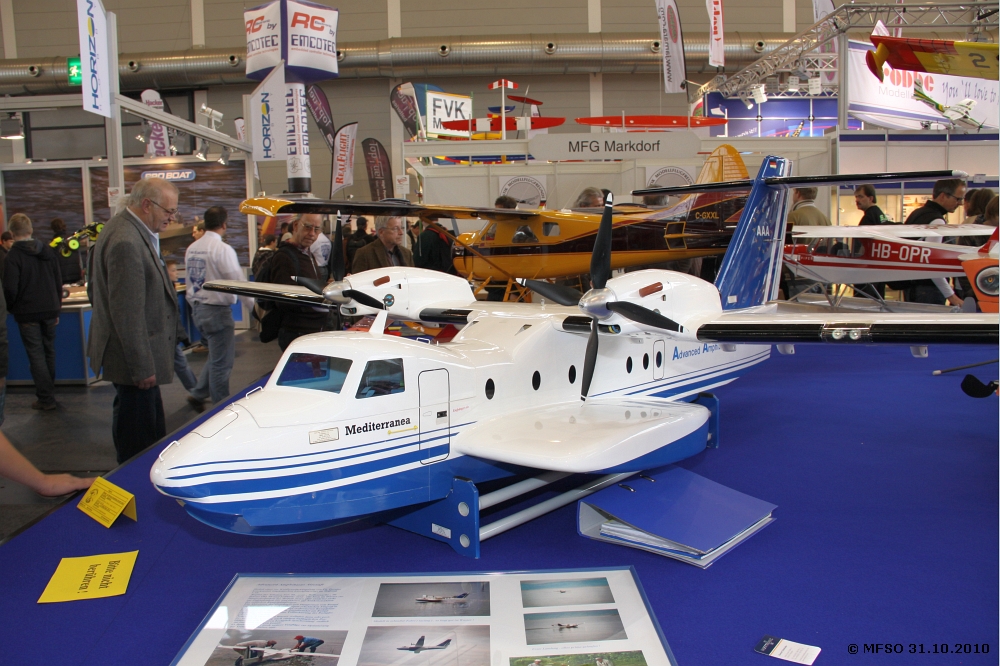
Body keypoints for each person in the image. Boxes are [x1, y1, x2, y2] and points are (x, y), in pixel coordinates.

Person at [88, 177, 184, 464]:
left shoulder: (126, 230)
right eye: (168, 211)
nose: (172, 218)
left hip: (136, 358)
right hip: (134, 363)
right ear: (146, 205)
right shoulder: (126, 241)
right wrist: (142, 366)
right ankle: (133, 482)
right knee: (138, 438)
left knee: (145, 427)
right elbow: (127, 313)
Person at [184, 206, 248, 410]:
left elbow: (190, 282)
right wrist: (254, 308)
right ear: (224, 224)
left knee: (216, 355)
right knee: (222, 363)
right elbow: (238, 283)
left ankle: (198, 393)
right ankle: (220, 409)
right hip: (217, 312)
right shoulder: (222, 249)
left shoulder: (192, 248)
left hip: (198, 308)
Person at [3, 213, 63, 411]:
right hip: (50, 309)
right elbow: (58, 281)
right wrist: (57, 307)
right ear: (31, 230)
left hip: (27, 312)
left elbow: (10, 288)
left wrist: (13, 308)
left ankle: (45, 398)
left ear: (12, 232)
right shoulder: (46, 251)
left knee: (36, 355)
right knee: (49, 352)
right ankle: (49, 394)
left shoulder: (13, 257)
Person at [268, 214, 332, 350]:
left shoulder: (307, 254)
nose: (312, 234)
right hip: (297, 333)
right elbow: (283, 300)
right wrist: (316, 301)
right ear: (296, 226)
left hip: (311, 330)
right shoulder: (284, 257)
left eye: (317, 229)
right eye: (308, 227)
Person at [903, 178, 967, 306]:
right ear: (943, 196)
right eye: (957, 199)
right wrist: (952, 297)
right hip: (928, 289)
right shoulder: (937, 221)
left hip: (912, 286)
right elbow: (931, 264)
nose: (960, 203)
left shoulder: (917, 213)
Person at [164, 260, 197, 394]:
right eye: (173, 270)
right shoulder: (166, 291)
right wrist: (182, 336)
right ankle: (195, 391)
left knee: (180, 362)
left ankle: (196, 390)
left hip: (169, 334)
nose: (176, 273)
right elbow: (172, 316)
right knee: (180, 363)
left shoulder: (170, 288)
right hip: (168, 335)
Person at [853, 184, 889, 299]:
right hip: (879, 270)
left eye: (860, 196)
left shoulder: (869, 218)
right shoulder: (879, 214)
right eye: (856, 197)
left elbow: (863, 246)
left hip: (867, 272)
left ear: (870, 198)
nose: (857, 200)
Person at [50, 218, 83, 284]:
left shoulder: (53, 244)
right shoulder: (72, 240)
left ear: (53, 229)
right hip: (76, 276)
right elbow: (79, 258)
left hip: (62, 278)